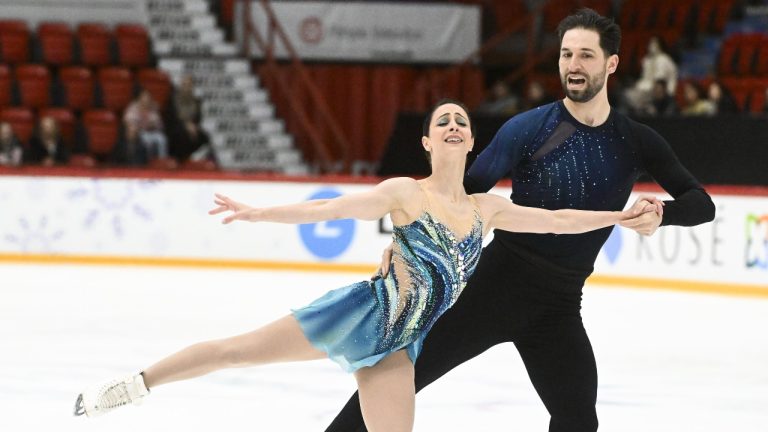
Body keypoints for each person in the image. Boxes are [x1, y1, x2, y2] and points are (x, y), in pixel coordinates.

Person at [73, 100, 660, 432]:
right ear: (429, 144)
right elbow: (332, 207)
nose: (453, 126)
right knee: (237, 350)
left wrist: (618, 215)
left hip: (400, 347)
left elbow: (557, 221)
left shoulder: (488, 209)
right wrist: (258, 213)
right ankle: (135, 385)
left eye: (460, 121)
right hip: (359, 314)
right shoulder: (407, 193)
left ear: (471, 141)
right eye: (441, 123)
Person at [325, 9, 715, 432]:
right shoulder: (530, 127)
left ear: (612, 63)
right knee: (397, 378)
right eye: (566, 54)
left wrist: (662, 215)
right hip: (490, 289)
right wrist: (410, 239)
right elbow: (457, 191)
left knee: (578, 419)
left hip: (559, 306)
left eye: (586, 55)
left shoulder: (636, 141)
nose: (573, 65)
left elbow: (701, 204)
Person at [625, 36, 678, 114]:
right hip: (648, 90)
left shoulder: (663, 59)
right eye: (650, 43)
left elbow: (659, 83)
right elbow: (645, 78)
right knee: (626, 95)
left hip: (664, 94)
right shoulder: (647, 60)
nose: (651, 46)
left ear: (660, 45)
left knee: (631, 97)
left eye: (654, 43)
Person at [123, 89, 169, 160]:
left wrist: (153, 125)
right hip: (140, 133)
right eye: (144, 97)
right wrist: (138, 126)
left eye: (148, 97)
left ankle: (162, 160)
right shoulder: (133, 107)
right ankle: (147, 160)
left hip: (152, 132)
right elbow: (128, 120)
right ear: (140, 98)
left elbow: (160, 124)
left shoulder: (153, 108)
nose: (146, 100)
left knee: (162, 139)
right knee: (146, 140)